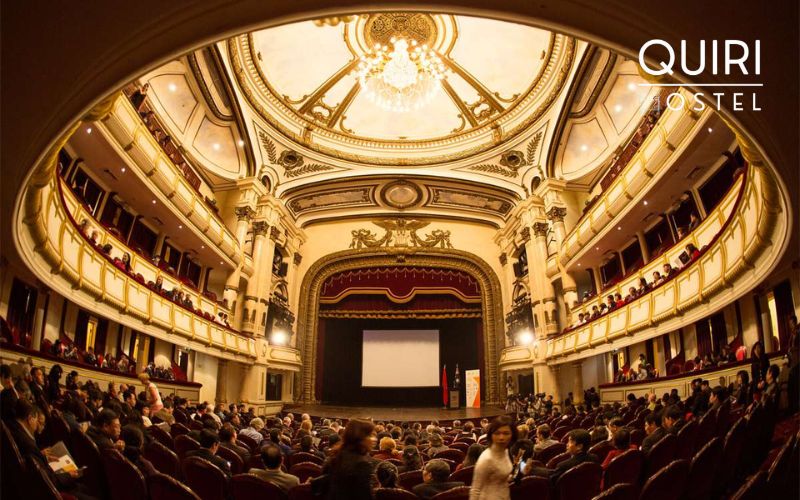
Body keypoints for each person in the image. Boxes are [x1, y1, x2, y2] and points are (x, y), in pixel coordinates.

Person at [322, 418, 375, 500]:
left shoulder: (337, 454)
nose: (374, 439)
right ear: (360, 438)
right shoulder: (362, 464)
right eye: (370, 435)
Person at [469, 415, 516, 500]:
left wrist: (517, 473)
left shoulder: (506, 451)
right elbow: (475, 490)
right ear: (491, 435)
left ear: (512, 435)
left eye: (506, 433)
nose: (501, 437)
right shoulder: (486, 459)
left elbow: (501, 477)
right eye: (497, 433)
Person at [530, 429, 598, 486]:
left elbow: (551, 480)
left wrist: (532, 470)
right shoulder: (594, 458)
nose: (567, 444)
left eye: (570, 441)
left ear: (579, 446)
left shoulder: (564, 465)